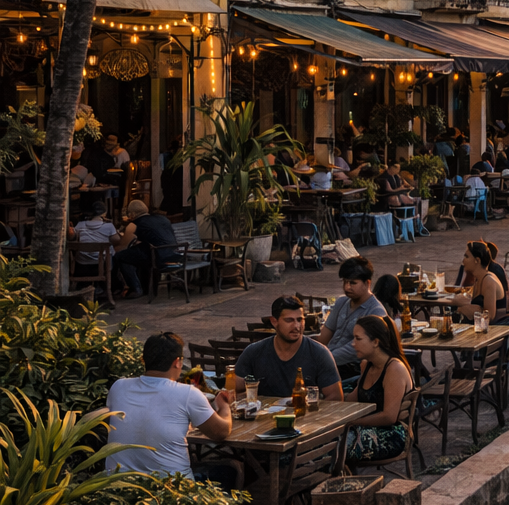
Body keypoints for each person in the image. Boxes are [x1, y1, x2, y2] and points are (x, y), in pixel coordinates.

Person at [105, 332, 238, 487]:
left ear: (143, 360)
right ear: (177, 362)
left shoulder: (118, 387)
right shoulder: (188, 393)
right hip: (171, 490)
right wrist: (224, 406)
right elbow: (221, 432)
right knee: (233, 469)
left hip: (118, 486)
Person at [234, 296, 343, 400]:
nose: (296, 326)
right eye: (289, 320)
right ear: (274, 322)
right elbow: (234, 391)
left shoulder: (319, 353)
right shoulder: (254, 352)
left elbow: (335, 398)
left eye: (300, 320)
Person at [342, 315, 413, 464]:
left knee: (334, 447)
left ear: (375, 342)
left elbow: (389, 417)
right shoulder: (367, 366)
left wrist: (353, 422)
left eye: (358, 339)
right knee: (323, 441)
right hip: (364, 429)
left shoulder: (394, 369)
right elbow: (351, 401)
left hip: (390, 435)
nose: (353, 344)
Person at [318, 256, 389, 380]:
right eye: (345, 282)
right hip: (328, 362)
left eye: (353, 283)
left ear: (367, 283)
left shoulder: (375, 311)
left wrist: (324, 359)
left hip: (352, 369)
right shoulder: (341, 302)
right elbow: (324, 336)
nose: (347, 287)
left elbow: (355, 349)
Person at [111, 199, 179, 299]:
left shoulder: (134, 224)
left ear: (132, 214)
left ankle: (135, 287)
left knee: (121, 256)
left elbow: (123, 245)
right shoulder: (163, 219)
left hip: (157, 256)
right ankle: (145, 287)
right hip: (174, 254)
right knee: (137, 252)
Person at [453, 241, 504, 322]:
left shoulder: (488, 281)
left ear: (477, 260)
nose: (463, 261)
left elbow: (490, 316)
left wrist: (468, 309)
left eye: (466, 257)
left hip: (494, 330)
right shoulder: (478, 279)